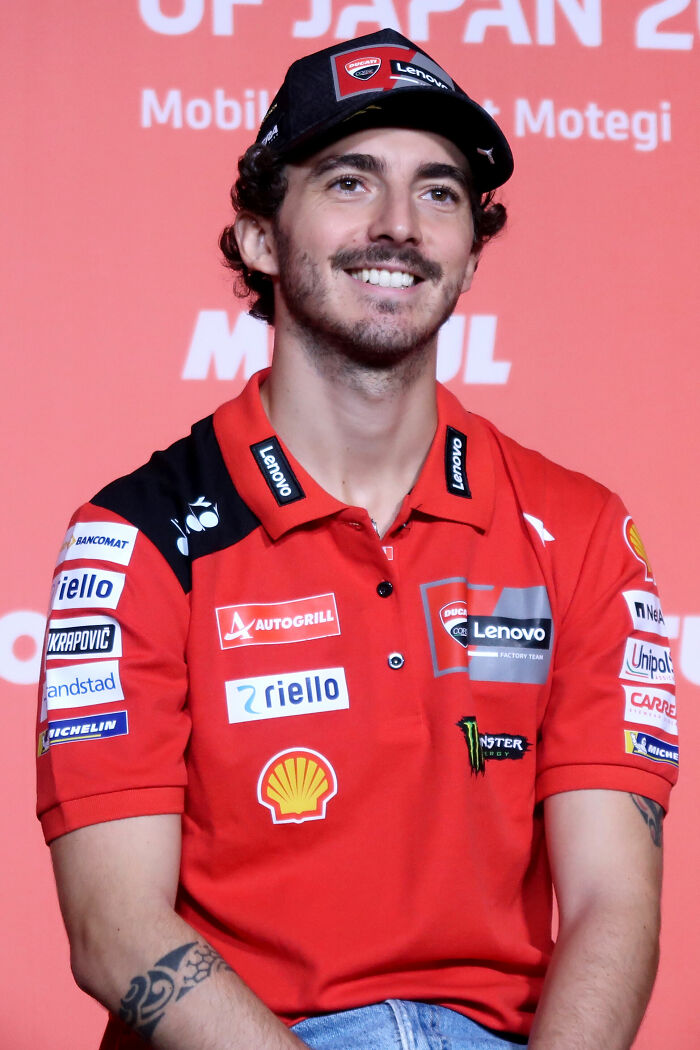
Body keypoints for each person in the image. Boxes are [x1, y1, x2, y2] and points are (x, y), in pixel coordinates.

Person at [37, 28, 677, 1050]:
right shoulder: (138, 538)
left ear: (471, 252)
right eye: (349, 182)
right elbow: (114, 929)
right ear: (258, 238)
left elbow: (613, 900)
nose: (399, 226)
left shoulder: (584, 531)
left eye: (439, 193)